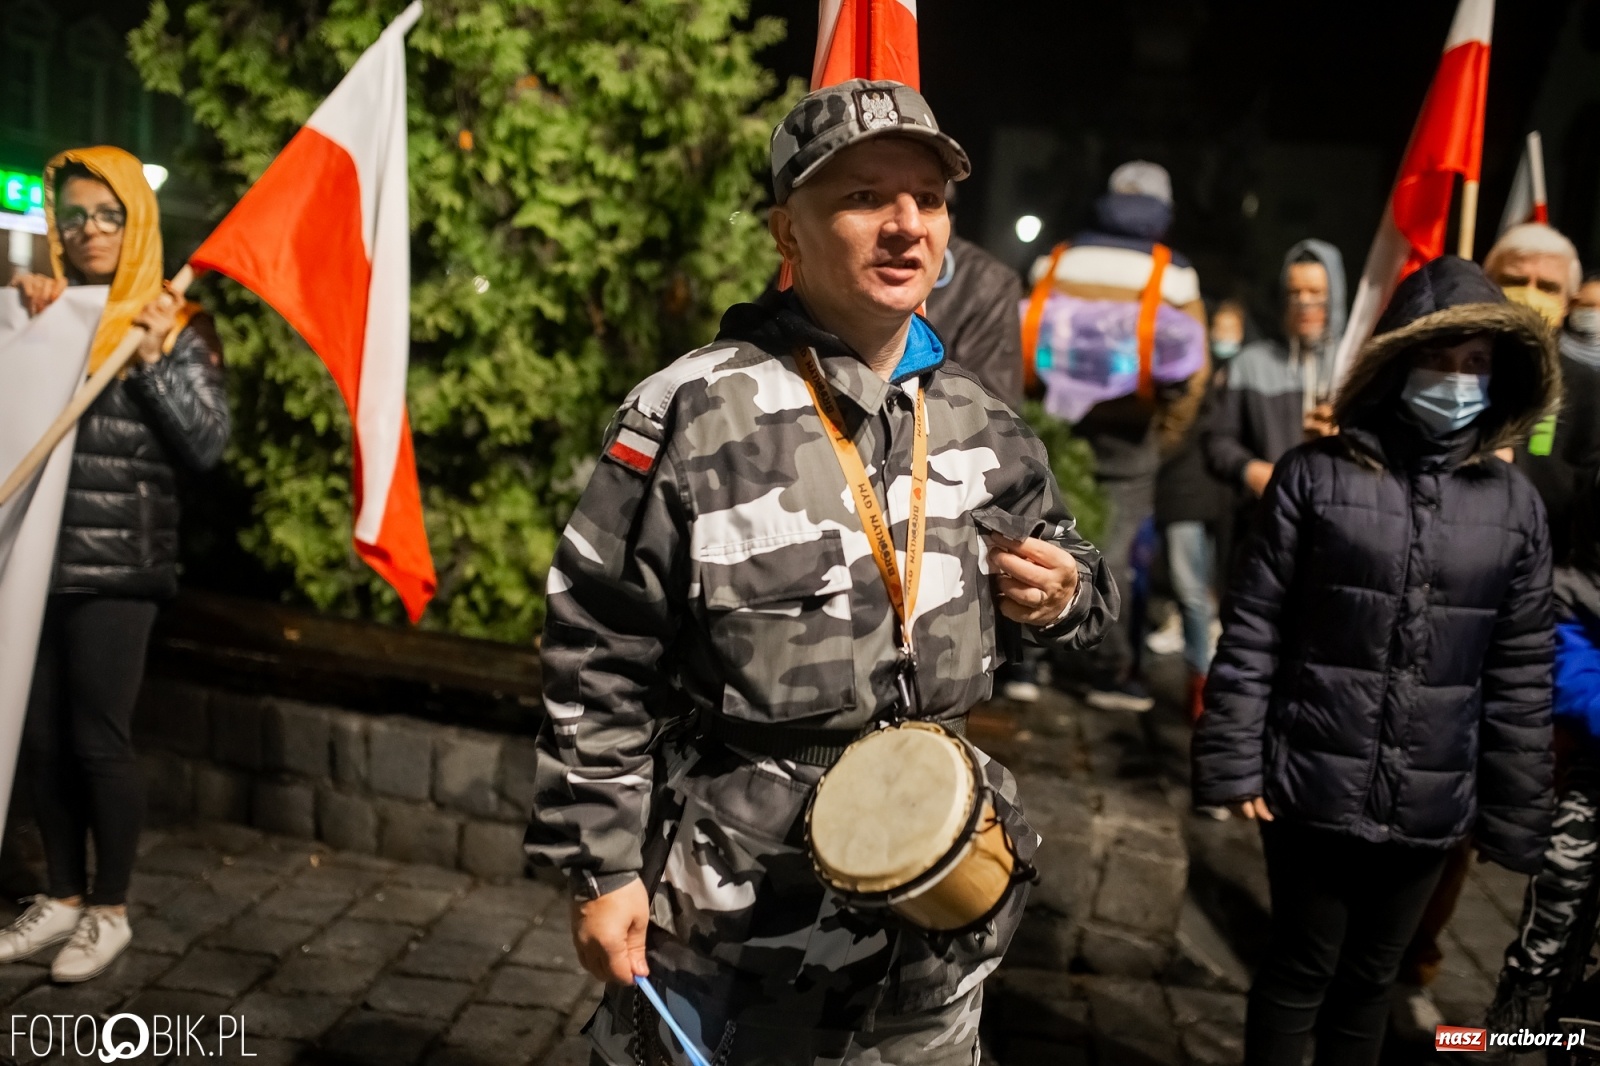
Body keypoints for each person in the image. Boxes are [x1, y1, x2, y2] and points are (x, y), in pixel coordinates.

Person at [524, 80, 1115, 1066]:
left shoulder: (978, 420)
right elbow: (594, 653)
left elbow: (1085, 593)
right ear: (785, 227)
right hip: (738, 910)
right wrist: (598, 870)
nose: (904, 227)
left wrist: (1066, 593)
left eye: (927, 201)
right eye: (861, 197)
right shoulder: (691, 414)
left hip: (937, 902)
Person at [1193, 256, 1557, 1066]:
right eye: (1440, 358)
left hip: (1432, 805)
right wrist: (1234, 763)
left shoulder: (1515, 509)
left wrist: (1516, 812)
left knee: (1372, 983)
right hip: (1309, 783)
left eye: (1476, 364)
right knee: (1298, 972)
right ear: (1399, 361)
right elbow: (1253, 629)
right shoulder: (1313, 476)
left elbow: (1521, 673)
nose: (1458, 380)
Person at [0, 147, 229, 981]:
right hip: (34, 557)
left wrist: (154, 359)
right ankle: (59, 896)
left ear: (137, 221)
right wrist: (31, 322)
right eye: (74, 216)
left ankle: (109, 910)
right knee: (39, 738)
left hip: (119, 565)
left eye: (108, 214)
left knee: (99, 738)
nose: (88, 230)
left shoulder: (174, 322)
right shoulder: (48, 312)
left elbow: (206, 445)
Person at [1389, 224, 1600, 1037]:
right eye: (1514, 276)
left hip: (1529, 623)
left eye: (1549, 282)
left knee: (1464, 811)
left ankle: (1420, 959)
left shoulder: (1588, 387)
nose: (1531, 293)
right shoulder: (1456, 368)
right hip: (1433, 599)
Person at [1036, 160, 1207, 712]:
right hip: (1134, 432)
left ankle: (1033, 658)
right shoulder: (1174, 272)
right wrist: (1166, 434)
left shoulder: (1058, 259)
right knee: (1112, 551)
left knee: (1042, 534)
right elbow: (1193, 371)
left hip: (1059, 426)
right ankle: (1103, 669)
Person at [1484, 466, 1600, 1048]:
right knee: (1561, 871)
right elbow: (1575, 677)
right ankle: (1521, 1003)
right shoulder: (1577, 592)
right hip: (1596, 771)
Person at [1202, 240, 1347, 539]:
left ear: (1335, 296)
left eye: (1316, 293)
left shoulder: (1355, 365)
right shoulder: (1251, 364)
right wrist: (1249, 469)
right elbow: (1217, 439)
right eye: (1295, 292)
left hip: (1339, 525)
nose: (1304, 303)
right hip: (1264, 525)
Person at [1149, 299, 1245, 722]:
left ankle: (1200, 682)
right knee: (1192, 588)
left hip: (1195, 496)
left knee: (1193, 589)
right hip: (1192, 494)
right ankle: (1196, 678)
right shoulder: (1198, 372)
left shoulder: (1215, 377)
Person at [923, 182, 1025, 408]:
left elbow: (993, 410)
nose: (906, 224)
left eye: (925, 200)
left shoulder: (986, 281)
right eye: (867, 198)